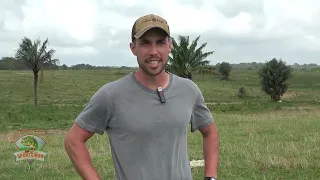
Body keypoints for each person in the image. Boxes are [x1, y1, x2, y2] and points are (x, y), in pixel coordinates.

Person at [64, 14, 220, 180]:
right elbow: (74, 140)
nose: (153, 52)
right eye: (145, 43)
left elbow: (210, 132)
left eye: (160, 42)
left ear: (170, 46)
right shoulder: (111, 95)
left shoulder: (188, 90)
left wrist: (210, 177)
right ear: (133, 48)